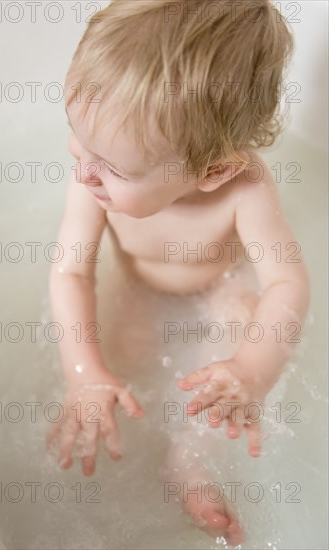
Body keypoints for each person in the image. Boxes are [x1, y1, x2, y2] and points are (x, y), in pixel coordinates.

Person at [46, 0, 310, 544]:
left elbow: (287, 284)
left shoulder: (245, 190)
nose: (83, 168)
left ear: (212, 171)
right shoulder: (94, 177)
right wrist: (84, 371)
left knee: (240, 322)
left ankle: (191, 461)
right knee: (123, 354)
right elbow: (71, 273)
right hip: (139, 287)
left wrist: (251, 370)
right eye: (78, 136)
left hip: (216, 286)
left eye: (114, 166)